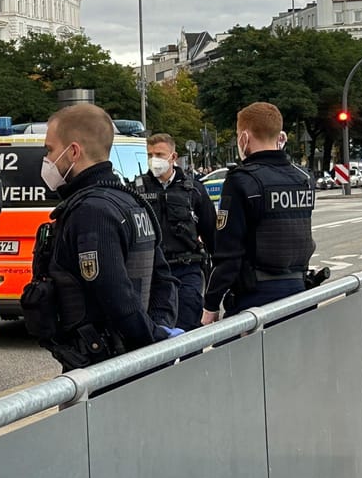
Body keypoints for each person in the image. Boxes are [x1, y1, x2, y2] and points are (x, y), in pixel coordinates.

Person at [28, 104, 180, 371]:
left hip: (103, 363)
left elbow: (115, 294)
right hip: (135, 357)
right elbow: (163, 279)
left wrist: (152, 339)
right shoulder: (132, 202)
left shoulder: (91, 211)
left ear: (73, 151)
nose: (48, 159)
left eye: (50, 150)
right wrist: (159, 331)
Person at [202, 103, 315, 323]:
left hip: (255, 297)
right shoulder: (303, 178)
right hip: (299, 290)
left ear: (244, 137)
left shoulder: (241, 181)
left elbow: (228, 254)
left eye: (237, 135)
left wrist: (211, 304)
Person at [133, 133, 217, 330]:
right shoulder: (137, 189)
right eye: (150, 154)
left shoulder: (193, 190)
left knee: (189, 331)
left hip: (186, 269)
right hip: (152, 273)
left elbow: (212, 236)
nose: (154, 160)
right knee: (157, 336)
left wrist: (216, 285)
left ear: (173, 157)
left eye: (160, 154)